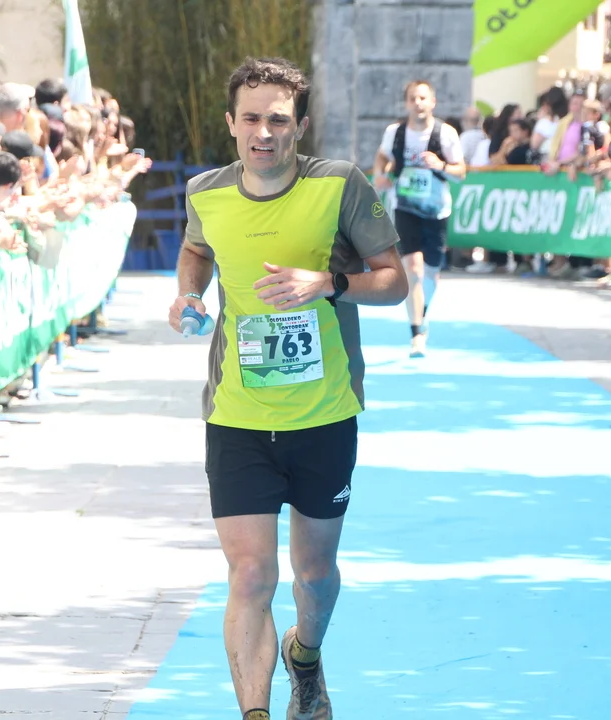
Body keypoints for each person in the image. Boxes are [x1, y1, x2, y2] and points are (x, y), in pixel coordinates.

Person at [167, 56, 408, 720]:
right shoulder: (205, 192)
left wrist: (327, 283)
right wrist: (189, 294)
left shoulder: (340, 185)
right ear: (231, 123)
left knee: (314, 575)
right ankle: (255, 712)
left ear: (299, 125)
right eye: (251, 119)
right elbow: (197, 249)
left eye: (278, 119)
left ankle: (306, 655)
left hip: (323, 415)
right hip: (238, 415)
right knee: (250, 575)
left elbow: (395, 282)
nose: (263, 132)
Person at [372, 79, 466, 358]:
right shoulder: (395, 132)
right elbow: (382, 156)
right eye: (413, 98)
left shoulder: (445, 133)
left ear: (432, 102)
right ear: (406, 103)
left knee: (432, 272)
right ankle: (416, 333)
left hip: (437, 209)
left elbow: (461, 172)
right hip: (405, 206)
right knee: (413, 267)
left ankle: (421, 311)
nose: (418, 103)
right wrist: (380, 175)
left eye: (423, 98)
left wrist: (441, 165)